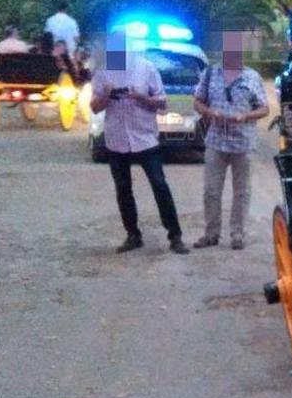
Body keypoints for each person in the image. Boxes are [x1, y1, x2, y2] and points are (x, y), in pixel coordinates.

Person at [89, 30, 189, 255]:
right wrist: (106, 96)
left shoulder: (145, 68)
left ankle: (175, 235)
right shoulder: (104, 72)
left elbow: (162, 102)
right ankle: (133, 235)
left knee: (159, 185)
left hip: (144, 137)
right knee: (123, 189)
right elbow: (94, 107)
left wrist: (140, 97)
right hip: (117, 139)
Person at [192, 32, 270, 250]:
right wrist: (209, 113)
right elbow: (197, 101)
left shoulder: (252, 77)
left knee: (242, 191)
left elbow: (265, 108)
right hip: (216, 141)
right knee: (211, 191)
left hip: (243, 143)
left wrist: (245, 117)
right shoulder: (210, 74)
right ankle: (211, 234)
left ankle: (238, 234)